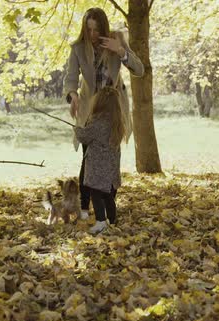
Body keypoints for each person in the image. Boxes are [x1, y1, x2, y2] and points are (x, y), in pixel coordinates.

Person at [63, 7, 144, 220]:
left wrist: (121, 52)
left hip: (114, 113)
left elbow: (139, 70)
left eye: (97, 30)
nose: (92, 35)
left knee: (110, 161)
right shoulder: (78, 48)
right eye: (89, 30)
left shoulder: (116, 41)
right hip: (90, 111)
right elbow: (70, 79)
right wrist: (73, 96)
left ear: (104, 28)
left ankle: (109, 209)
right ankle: (83, 208)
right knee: (88, 160)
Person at [74, 87, 125, 234]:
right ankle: (112, 221)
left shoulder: (98, 122)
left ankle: (101, 221)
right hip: (110, 169)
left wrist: (77, 130)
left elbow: (84, 137)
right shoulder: (116, 122)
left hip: (98, 170)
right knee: (109, 196)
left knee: (96, 195)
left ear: (99, 103)